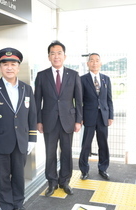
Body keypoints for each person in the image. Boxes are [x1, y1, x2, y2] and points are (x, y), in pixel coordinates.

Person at [0, 47, 37, 210]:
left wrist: (32, 138)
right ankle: (6, 207)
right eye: (5, 64)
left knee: (19, 175)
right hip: (0, 142)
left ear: (18, 67)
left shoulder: (27, 89)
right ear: (0, 67)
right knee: (3, 177)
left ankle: (18, 203)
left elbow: (32, 114)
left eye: (13, 64)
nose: (9, 67)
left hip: (21, 141)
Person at [34, 40, 83, 197]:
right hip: (48, 121)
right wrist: (38, 121)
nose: (56, 56)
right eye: (53, 53)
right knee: (50, 153)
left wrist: (78, 120)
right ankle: (52, 182)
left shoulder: (74, 75)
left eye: (59, 53)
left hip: (68, 120)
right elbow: (37, 100)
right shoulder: (41, 76)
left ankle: (65, 181)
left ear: (64, 56)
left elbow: (79, 100)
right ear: (49, 57)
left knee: (67, 152)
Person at [79, 53, 114, 181]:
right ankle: (84, 170)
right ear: (88, 64)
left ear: (101, 63)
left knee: (103, 143)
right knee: (86, 145)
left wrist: (110, 115)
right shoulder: (82, 79)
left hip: (103, 117)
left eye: (97, 61)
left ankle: (103, 168)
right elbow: (79, 101)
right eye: (91, 61)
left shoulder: (106, 79)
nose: (94, 63)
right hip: (88, 116)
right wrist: (80, 117)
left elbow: (109, 99)